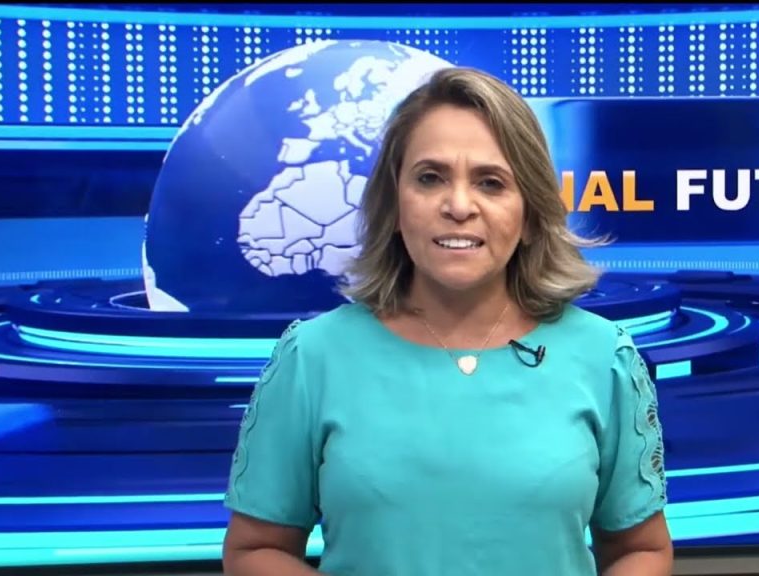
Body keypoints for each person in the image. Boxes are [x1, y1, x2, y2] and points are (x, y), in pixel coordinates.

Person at [221, 66, 673, 576]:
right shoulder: (313, 357)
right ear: (394, 205)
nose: (458, 206)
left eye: (491, 183)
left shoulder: (602, 356)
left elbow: (641, 550)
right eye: (430, 178)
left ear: (530, 215)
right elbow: (255, 551)